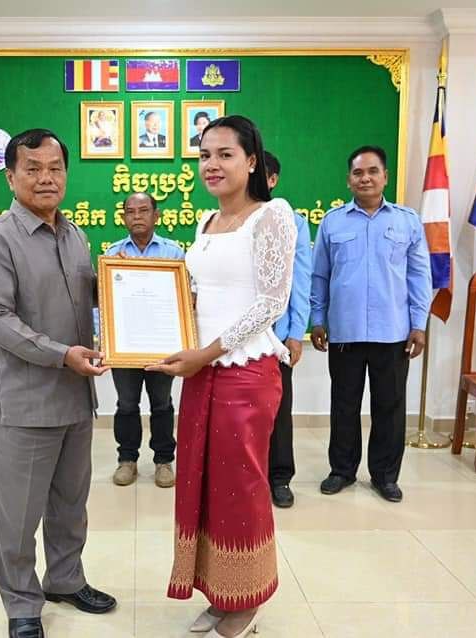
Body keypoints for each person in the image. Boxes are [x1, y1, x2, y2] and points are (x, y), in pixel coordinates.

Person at [148, 115, 297, 638]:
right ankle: (220, 590)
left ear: (251, 161)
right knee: (202, 482)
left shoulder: (273, 215)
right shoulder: (206, 222)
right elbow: (198, 298)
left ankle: (247, 600)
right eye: (204, 155)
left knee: (241, 485)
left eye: (225, 154)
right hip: (202, 372)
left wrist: (206, 353)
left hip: (245, 371)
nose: (211, 164)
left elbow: (271, 303)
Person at [0, 129, 117, 638]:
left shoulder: (76, 236)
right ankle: (21, 603)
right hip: (26, 403)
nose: (46, 178)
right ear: (10, 177)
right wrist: (62, 355)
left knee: (70, 506)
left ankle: (65, 579)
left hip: (76, 398)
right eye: (32, 168)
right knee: (18, 515)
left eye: (55, 168)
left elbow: (90, 298)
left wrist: (131, 295)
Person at [310, 145, 432, 504]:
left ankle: (385, 476)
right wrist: (317, 319)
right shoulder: (332, 221)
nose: (365, 178)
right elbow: (319, 275)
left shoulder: (407, 221)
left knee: (389, 408)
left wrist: (419, 324)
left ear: (385, 177)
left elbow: (419, 276)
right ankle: (342, 471)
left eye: (372, 171)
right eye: (358, 173)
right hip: (344, 331)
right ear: (349, 180)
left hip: (393, 332)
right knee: (344, 405)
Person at [105, 192, 184, 488]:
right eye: (130, 211)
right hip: (124, 346)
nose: (137, 216)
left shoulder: (173, 253)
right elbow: (104, 301)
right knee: (126, 404)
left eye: (143, 210)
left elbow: (184, 299)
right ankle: (127, 460)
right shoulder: (112, 254)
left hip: (162, 346)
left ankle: (164, 461)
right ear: (123, 217)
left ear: (156, 215)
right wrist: (106, 341)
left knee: (161, 404)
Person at [264, 151, 313, 509]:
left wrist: (296, 332)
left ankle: (280, 478)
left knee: (279, 411)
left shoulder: (294, 222)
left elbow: (301, 280)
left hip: (277, 337)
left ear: (273, 180)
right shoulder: (226, 219)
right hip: (235, 341)